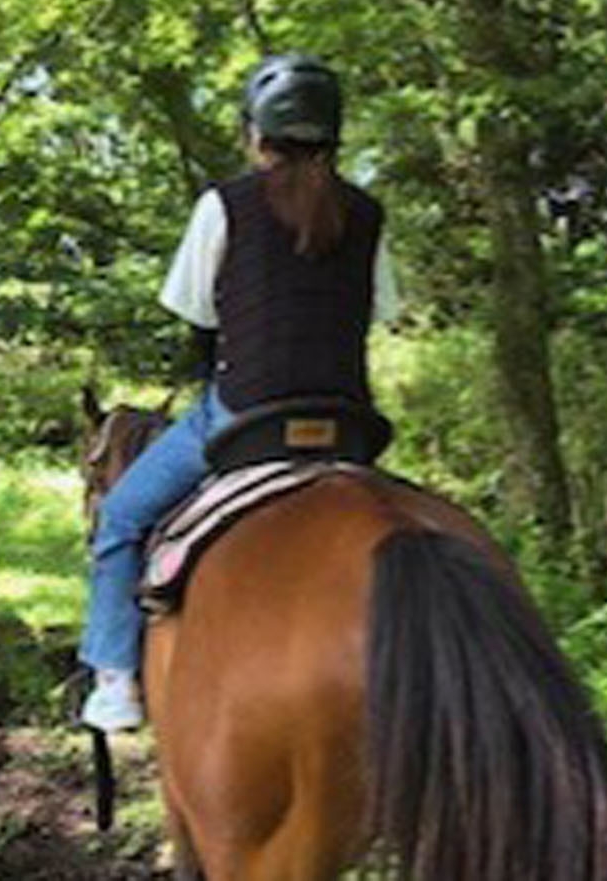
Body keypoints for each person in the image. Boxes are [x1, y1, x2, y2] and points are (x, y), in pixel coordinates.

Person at [79, 54, 401, 732]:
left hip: (246, 414)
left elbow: (194, 308)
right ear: (333, 135)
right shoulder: (368, 213)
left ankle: (113, 680)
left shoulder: (225, 204)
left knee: (121, 520)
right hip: (347, 424)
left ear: (258, 133)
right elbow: (380, 309)